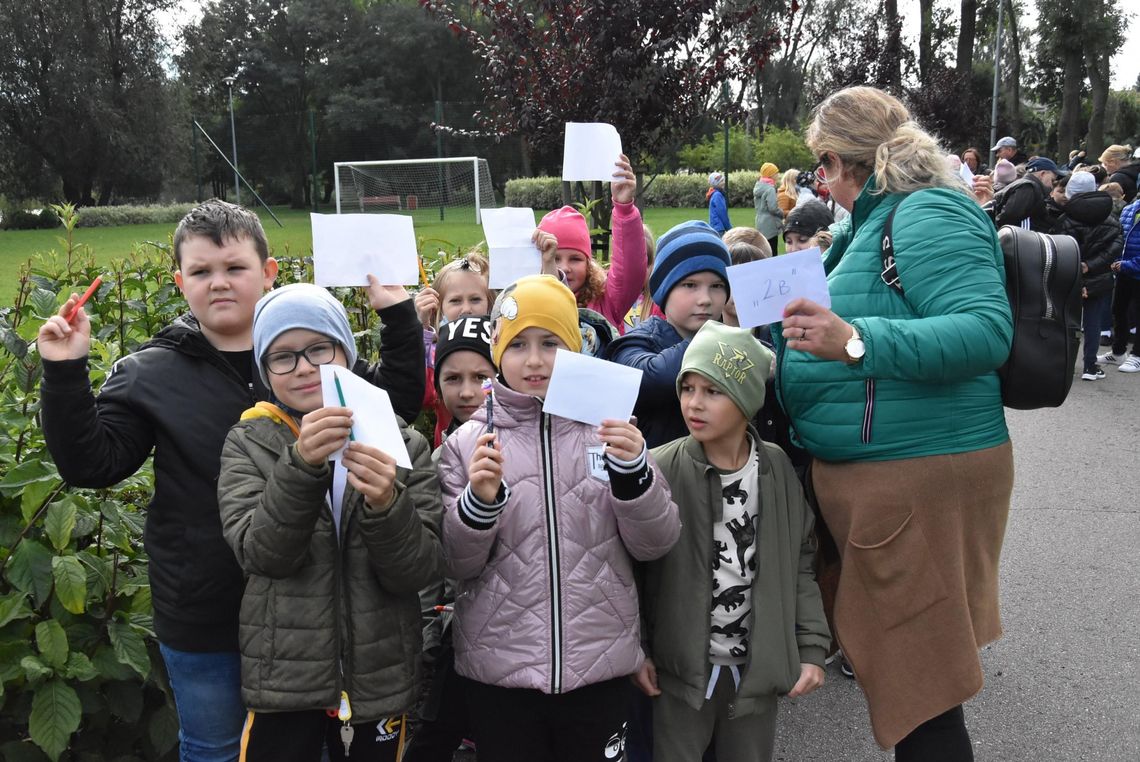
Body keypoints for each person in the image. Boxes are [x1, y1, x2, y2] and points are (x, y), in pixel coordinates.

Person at [36, 199, 425, 762]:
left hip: (308, 617)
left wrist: (397, 317)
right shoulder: (151, 372)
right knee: (216, 748)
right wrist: (65, 370)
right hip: (207, 612)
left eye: (234, 267)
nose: (219, 283)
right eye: (200, 271)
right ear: (179, 282)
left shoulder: (309, 359)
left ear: (268, 272)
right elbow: (91, 464)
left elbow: (396, 410)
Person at [779, 86, 1015, 758]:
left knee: (921, 690)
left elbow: (985, 333)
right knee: (915, 679)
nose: (820, 180)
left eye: (821, 165)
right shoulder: (873, 222)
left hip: (916, 474)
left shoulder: (925, 214)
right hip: (891, 472)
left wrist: (855, 340)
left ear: (837, 159)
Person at [437, 274, 680, 762]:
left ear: (574, 347)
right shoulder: (467, 445)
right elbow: (455, 564)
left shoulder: (608, 429)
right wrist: (479, 504)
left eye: (550, 343)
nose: (533, 360)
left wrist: (633, 473)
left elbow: (655, 543)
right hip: (500, 673)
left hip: (599, 668)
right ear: (498, 350)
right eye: (518, 344)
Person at [217, 283, 443, 760]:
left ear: (347, 352)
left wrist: (387, 503)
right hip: (284, 679)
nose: (303, 367)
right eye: (282, 357)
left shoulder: (399, 444)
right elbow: (261, 554)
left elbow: (418, 571)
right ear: (265, 370)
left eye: (319, 349)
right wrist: (299, 466)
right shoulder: (248, 443)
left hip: (378, 678)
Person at [637, 321, 829, 762]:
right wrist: (639, 650)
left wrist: (812, 647)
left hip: (755, 672)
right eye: (687, 388)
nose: (694, 403)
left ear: (746, 401)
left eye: (713, 391)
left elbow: (800, 559)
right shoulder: (660, 468)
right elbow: (633, 570)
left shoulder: (777, 469)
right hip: (679, 673)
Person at [604, 221, 732, 448]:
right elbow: (652, 378)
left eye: (717, 286)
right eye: (690, 285)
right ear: (664, 289)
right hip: (658, 477)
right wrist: (720, 339)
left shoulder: (732, 340)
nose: (705, 299)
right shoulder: (638, 342)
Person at [538, 155, 647, 333]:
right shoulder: (528, 301)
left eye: (575, 259)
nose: (565, 268)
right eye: (555, 258)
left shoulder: (605, 301)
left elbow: (630, 269)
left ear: (588, 264)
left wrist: (624, 208)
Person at [416, 252, 498, 446]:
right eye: (455, 301)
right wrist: (423, 329)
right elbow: (426, 396)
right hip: (449, 452)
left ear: (490, 304)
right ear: (439, 307)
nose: (466, 308)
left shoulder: (500, 347)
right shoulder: (435, 351)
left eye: (475, 299)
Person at [1056, 171, 1124, 381]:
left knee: (1063, 320)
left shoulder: (1065, 217)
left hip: (1068, 276)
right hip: (1100, 277)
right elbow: (1116, 245)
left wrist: (1080, 269)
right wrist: (1091, 266)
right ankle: (1090, 366)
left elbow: (1061, 247)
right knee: (1093, 323)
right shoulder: (1110, 216)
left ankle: (1062, 364)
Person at [1099, 193, 1140, 371]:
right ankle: (1118, 352)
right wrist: (1116, 261)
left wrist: (1127, 264)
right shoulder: (1129, 209)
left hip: (1130, 268)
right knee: (1118, 310)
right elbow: (1119, 238)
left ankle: (1137, 355)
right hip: (1124, 271)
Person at [991, 156, 1067, 232]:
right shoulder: (1028, 187)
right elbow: (1009, 218)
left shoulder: (1027, 186)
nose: (1051, 186)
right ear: (1043, 174)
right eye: (1052, 180)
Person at [753, 162, 783, 253]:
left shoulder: (758, 187)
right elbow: (773, 208)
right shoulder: (770, 189)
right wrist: (782, 213)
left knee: (764, 250)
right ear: (771, 175)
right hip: (770, 224)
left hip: (760, 221)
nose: (778, 175)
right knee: (773, 250)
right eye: (776, 173)